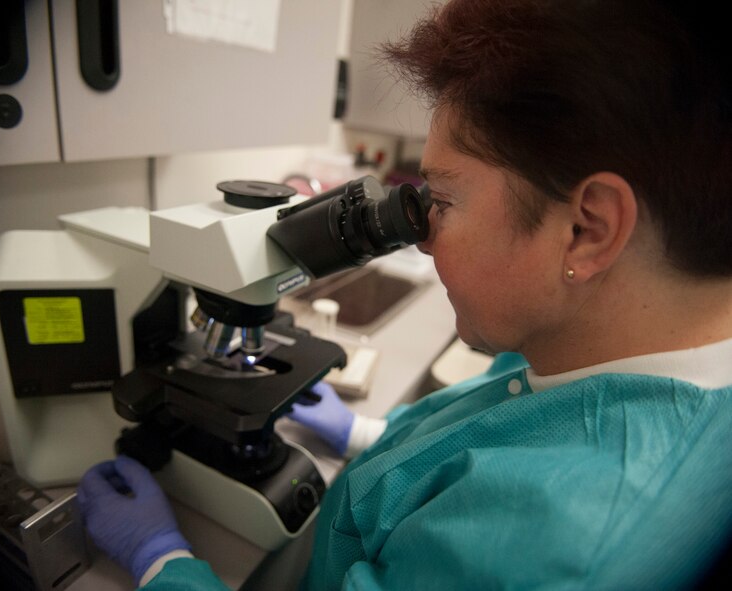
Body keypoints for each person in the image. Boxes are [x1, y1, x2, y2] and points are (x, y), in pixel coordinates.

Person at [76, 0, 732, 588]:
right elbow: (500, 429)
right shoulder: (604, 348)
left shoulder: (542, 556)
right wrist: (366, 432)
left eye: (441, 199)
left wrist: (162, 562)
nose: (422, 238)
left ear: (588, 229)